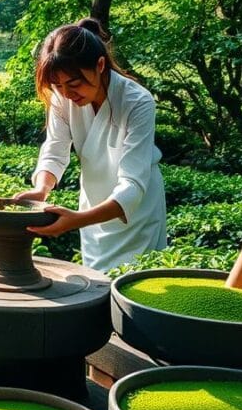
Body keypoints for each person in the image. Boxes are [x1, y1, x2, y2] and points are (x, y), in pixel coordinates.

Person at [15, 18, 166, 272]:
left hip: (137, 213)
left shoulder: (137, 102)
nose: (66, 93)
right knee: (96, 287)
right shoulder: (63, 98)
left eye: (74, 84)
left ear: (99, 65)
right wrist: (42, 190)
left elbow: (133, 184)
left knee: (134, 286)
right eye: (58, 86)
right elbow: (55, 148)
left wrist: (76, 221)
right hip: (92, 206)